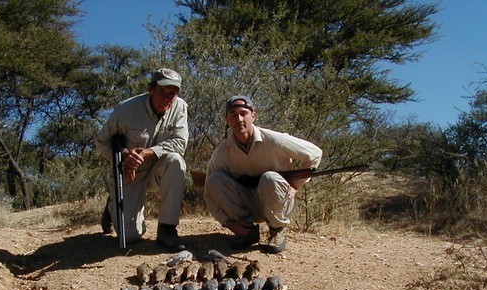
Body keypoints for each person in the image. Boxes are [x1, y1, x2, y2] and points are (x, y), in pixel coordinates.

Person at [204, 95, 322, 253]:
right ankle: (247, 232)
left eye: (243, 113)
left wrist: (294, 186)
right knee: (214, 180)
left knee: (270, 178)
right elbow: (208, 192)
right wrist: (227, 222)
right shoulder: (221, 153)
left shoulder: (275, 140)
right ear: (227, 119)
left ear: (253, 115)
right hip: (248, 204)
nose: (238, 119)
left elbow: (315, 154)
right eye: (233, 114)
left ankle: (276, 230)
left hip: (278, 202)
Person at [94, 68, 189, 251]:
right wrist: (124, 157)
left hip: (159, 170)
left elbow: (179, 143)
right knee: (130, 236)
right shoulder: (125, 110)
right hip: (130, 173)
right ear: (151, 89)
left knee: (176, 161)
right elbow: (101, 141)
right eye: (162, 91)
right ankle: (112, 205)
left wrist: (145, 153)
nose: (167, 97)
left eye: (172, 93)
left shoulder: (180, 107)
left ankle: (167, 230)